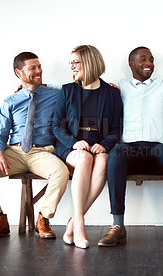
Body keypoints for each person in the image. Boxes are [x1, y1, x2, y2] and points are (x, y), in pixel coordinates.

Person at [0, 52, 70, 239]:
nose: (39, 71)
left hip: (42, 152)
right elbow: (1, 131)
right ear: (19, 73)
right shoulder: (11, 101)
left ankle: (43, 219)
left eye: (39, 67)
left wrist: (109, 87)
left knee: (60, 172)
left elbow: (79, 90)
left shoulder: (56, 94)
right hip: (14, 153)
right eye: (33, 68)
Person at [98, 46, 163, 248]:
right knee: (116, 153)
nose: (149, 64)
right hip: (129, 148)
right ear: (131, 64)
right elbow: (89, 86)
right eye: (143, 59)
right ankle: (117, 226)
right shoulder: (119, 86)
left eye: (152, 60)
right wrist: (40, 86)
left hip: (157, 147)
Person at [52, 45, 123, 249]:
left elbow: (116, 129)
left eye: (76, 62)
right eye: (71, 63)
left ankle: (73, 220)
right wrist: (74, 143)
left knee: (103, 161)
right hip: (70, 147)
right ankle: (80, 223)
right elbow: (56, 126)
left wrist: (103, 144)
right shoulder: (68, 90)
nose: (72, 67)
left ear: (89, 63)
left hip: (98, 148)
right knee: (84, 158)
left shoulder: (111, 93)